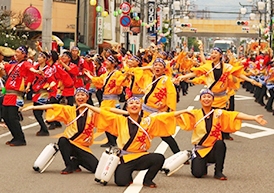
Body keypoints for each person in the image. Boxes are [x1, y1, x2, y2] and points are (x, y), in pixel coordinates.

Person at [78, 96, 190, 188]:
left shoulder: (148, 121)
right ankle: (126, 174)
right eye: (131, 103)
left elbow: (166, 116)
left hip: (142, 156)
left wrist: (184, 111)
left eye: (137, 103)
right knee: (121, 182)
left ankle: (148, 180)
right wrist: (88, 106)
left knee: (158, 158)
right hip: (126, 158)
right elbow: (104, 113)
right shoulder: (120, 120)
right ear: (126, 108)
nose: (134, 105)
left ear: (141, 107)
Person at [176, 89, 267, 180]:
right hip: (200, 149)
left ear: (213, 100)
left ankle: (218, 171)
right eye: (204, 97)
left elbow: (235, 115)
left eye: (209, 97)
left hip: (213, 149)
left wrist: (254, 118)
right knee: (198, 173)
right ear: (200, 100)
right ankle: (200, 163)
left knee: (220, 143)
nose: (206, 99)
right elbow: (176, 116)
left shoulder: (218, 113)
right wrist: (177, 112)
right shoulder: (195, 113)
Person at [177, 46, 262, 140]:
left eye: (215, 53)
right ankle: (208, 137)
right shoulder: (208, 66)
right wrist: (183, 77)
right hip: (209, 99)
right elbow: (196, 73)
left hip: (222, 99)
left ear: (220, 55)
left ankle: (221, 136)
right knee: (208, 119)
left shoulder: (227, 67)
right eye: (212, 52)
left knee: (221, 118)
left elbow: (238, 74)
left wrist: (251, 81)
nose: (213, 54)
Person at [22, 87, 99, 174]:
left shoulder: (92, 112)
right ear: (75, 97)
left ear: (87, 97)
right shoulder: (70, 110)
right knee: (62, 140)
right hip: (70, 143)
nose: (80, 97)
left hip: (83, 146)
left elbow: (104, 113)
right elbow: (53, 106)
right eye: (78, 95)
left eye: (83, 95)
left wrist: (88, 106)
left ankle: (76, 162)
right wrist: (33, 107)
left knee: (96, 168)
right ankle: (69, 165)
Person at [3, 46, 41, 146]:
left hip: (15, 95)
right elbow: (4, 67)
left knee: (12, 117)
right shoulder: (14, 65)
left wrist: (36, 71)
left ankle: (20, 138)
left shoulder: (25, 63)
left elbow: (30, 68)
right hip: (7, 94)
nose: (16, 53)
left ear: (24, 54)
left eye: (18, 52)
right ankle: (15, 136)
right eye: (16, 51)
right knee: (5, 117)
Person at [142, 58, 181, 154]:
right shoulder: (149, 77)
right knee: (142, 134)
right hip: (145, 112)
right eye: (155, 65)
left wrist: (167, 110)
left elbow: (171, 95)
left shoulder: (166, 80)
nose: (157, 67)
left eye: (160, 65)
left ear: (164, 69)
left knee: (165, 135)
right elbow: (136, 70)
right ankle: (140, 154)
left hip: (158, 112)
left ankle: (178, 154)